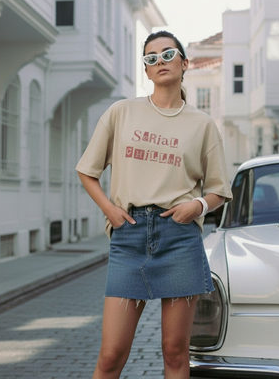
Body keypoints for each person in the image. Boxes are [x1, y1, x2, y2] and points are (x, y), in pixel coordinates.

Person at [76, 30, 232, 379]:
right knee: (111, 354)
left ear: (184, 62)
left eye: (167, 54)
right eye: (151, 58)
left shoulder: (202, 124)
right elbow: (87, 171)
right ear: (146, 71)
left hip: (179, 239)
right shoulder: (122, 112)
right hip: (129, 237)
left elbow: (220, 190)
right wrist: (109, 209)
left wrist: (197, 207)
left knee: (175, 353)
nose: (159, 61)